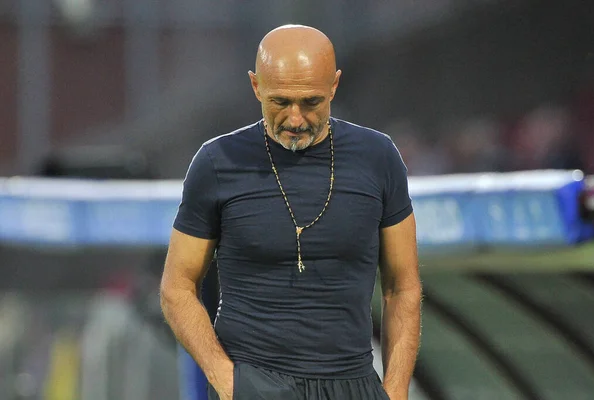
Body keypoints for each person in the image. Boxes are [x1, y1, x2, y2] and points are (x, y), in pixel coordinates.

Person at [160, 24, 422, 400]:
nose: (295, 118)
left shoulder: (378, 158)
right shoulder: (217, 163)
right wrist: (228, 381)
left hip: (354, 384)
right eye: (280, 102)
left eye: (311, 102)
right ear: (255, 87)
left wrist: (395, 391)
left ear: (334, 85)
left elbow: (403, 287)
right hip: (254, 382)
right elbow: (177, 287)